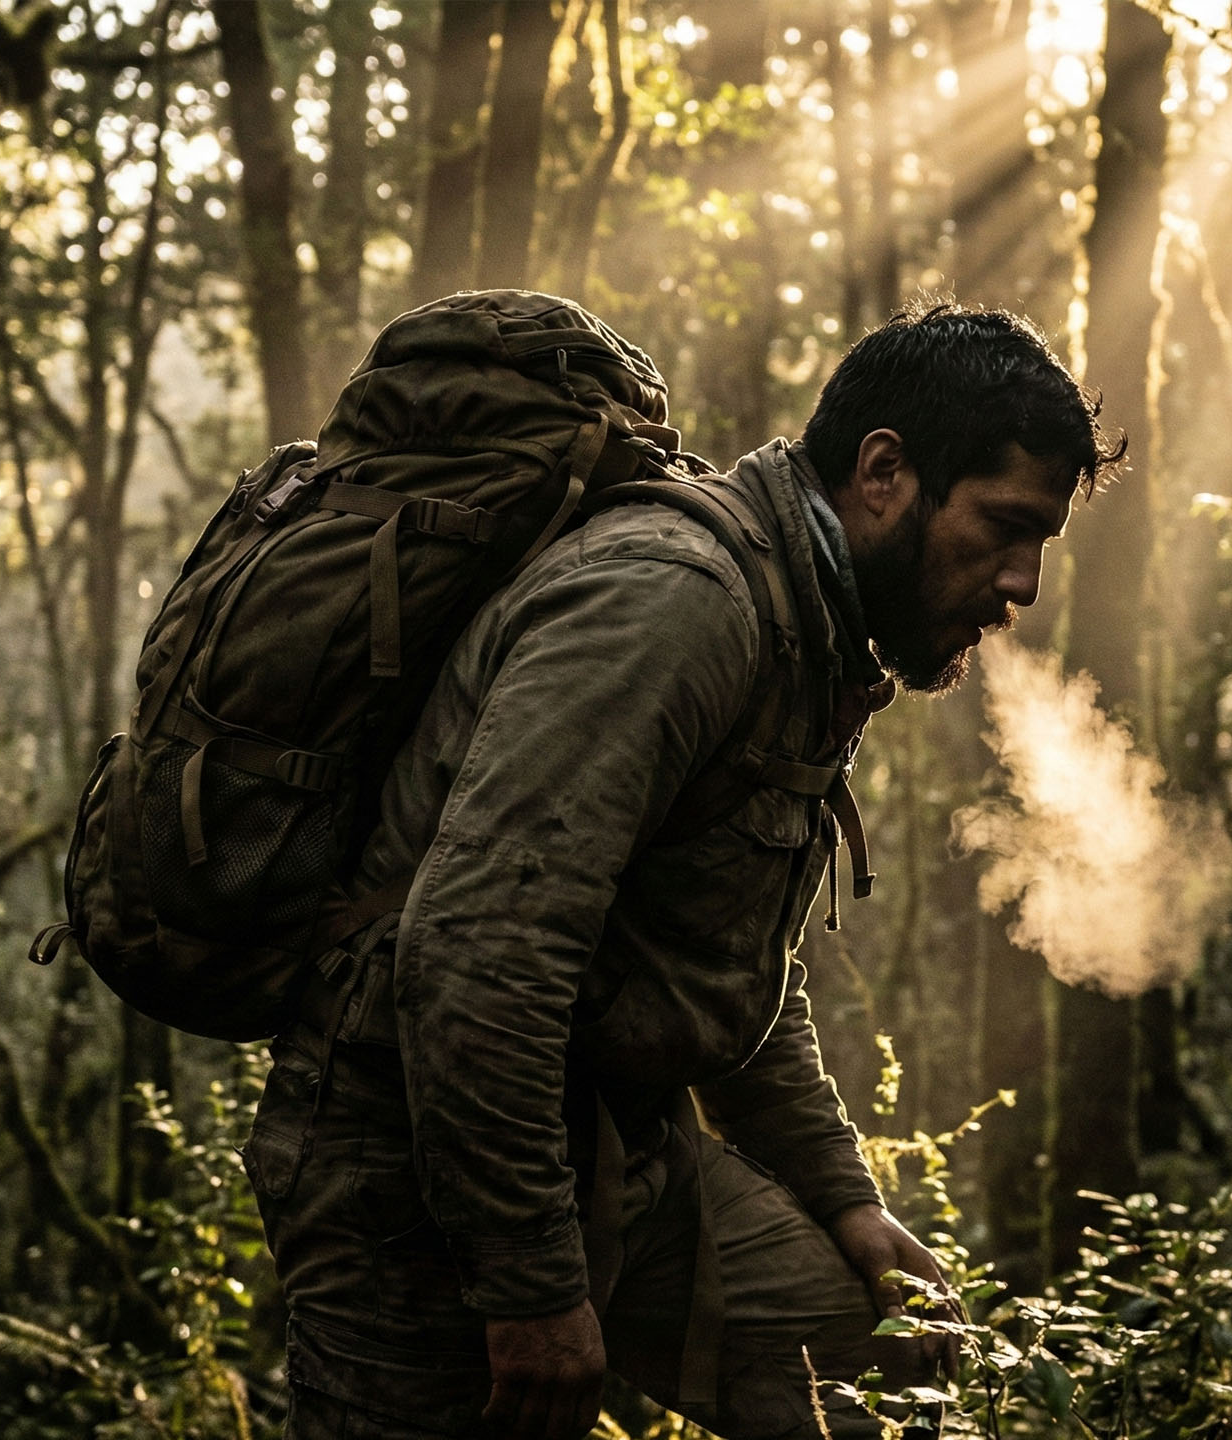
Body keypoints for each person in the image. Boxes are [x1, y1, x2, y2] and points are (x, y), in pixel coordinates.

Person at [251, 302, 1118, 1439]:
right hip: (408, 1160)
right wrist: (533, 1290)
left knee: (888, 1386)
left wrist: (844, 1202)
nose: (1023, 584)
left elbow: (732, 964)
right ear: (883, 471)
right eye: (1004, 526)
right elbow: (475, 957)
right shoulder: (675, 602)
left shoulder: (804, 625)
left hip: (619, 1146)